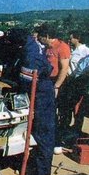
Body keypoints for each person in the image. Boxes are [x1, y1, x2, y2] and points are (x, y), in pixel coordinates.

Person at [18, 29, 55, 175]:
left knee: (43, 137)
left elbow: (26, 81)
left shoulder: (30, 54)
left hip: (41, 95)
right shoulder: (32, 46)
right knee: (42, 136)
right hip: (44, 91)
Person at [36, 24, 70, 155]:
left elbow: (64, 69)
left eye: (41, 37)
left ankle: (57, 142)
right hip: (48, 82)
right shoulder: (47, 48)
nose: (39, 39)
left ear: (47, 36)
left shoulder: (62, 47)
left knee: (56, 115)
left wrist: (57, 86)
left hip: (58, 83)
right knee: (48, 115)